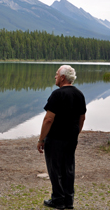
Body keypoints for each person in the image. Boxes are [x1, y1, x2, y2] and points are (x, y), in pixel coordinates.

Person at [37, 65, 86, 209]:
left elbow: (48, 119)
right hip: (71, 138)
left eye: (57, 74)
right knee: (68, 168)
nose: (55, 77)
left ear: (63, 77)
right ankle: (68, 201)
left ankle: (58, 200)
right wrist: (76, 133)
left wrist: (41, 139)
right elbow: (82, 118)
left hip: (55, 139)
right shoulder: (79, 94)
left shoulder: (57, 94)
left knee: (55, 170)